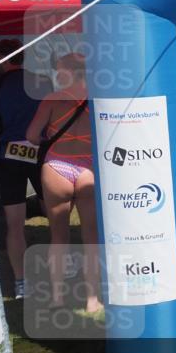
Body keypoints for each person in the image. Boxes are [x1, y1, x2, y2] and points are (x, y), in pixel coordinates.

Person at [25, 53, 102, 313]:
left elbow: (31, 136)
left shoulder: (51, 99)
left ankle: (58, 298)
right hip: (88, 168)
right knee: (91, 237)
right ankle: (92, 300)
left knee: (58, 237)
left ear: (70, 71)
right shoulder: (98, 96)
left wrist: (47, 136)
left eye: (60, 71)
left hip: (57, 166)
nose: (57, 75)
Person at [0, 39, 51, 298]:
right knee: (57, 216)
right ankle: (66, 268)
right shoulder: (43, 81)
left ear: (4, 59)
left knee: (14, 223)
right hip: (42, 151)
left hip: (10, 155)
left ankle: (21, 283)